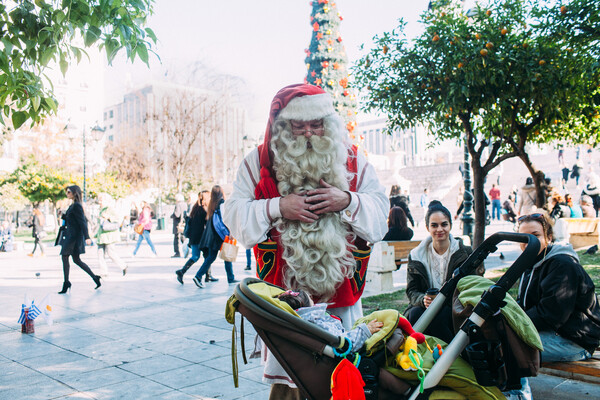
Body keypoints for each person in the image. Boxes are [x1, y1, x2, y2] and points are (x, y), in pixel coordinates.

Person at [223, 84, 388, 330]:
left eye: (316, 124)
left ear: (328, 123)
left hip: (341, 295)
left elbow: (381, 212)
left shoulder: (352, 158)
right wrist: (278, 207)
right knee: (287, 365)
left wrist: (346, 200)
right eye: (299, 125)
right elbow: (233, 214)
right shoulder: (257, 162)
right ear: (283, 127)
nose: (309, 133)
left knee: (344, 361)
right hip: (282, 299)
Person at [262, 289, 383, 398]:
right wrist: (366, 330)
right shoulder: (315, 322)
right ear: (308, 306)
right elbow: (344, 343)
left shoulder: (296, 323)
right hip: (340, 360)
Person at [516, 213, 600, 362]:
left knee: (509, 347)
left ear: (548, 238)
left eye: (535, 235)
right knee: (493, 339)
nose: (529, 242)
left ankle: (519, 387)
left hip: (575, 340)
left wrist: (513, 325)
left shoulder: (562, 265)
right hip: (552, 332)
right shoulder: (531, 263)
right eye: (523, 238)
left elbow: (551, 314)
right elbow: (523, 304)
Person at [405, 201, 483, 343]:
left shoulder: (464, 252)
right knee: (415, 314)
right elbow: (412, 290)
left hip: (453, 306)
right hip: (425, 307)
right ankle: (421, 355)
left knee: (440, 317)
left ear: (450, 226)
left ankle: (449, 358)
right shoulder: (416, 255)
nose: (439, 229)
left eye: (444, 224)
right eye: (434, 225)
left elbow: (473, 285)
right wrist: (423, 299)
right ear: (427, 227)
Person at [58, 185, 100, 294]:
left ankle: (66, 283)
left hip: (73, 237)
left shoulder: (77, 206)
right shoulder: (73, 205)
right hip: (71, 236)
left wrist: (87, 237)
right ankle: (95, 278)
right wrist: (63, 215)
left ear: (74, 193)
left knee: (65, 256)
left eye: (68, 192)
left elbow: (82, 222)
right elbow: (71, 219)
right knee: (76, 260)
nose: (67, 194)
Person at [192, 185, 237, 287]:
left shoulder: (212, 204)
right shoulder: (222, 203)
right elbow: (225, 220)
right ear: (221, 193)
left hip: (212, 235)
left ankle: (199, 276)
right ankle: (230, 278)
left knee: (212, 257)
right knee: (225, 256)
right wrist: (230, 232)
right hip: (220, 235)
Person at [175, 191, 208, 284]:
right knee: (197, 257)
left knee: (206, 256)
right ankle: (182, 272)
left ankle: (208, 276)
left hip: (195, 237)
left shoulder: (195, 208)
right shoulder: (203, 209)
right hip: (199, 238)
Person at [96, 193, 128, 277]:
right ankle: (103, 272)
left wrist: (109, 217)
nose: (99, 202)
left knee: (111, 253)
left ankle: (123, 265)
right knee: (100, 254)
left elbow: (118, 219)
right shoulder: (101, 210)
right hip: (101, 236)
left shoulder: (111, 209)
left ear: (106, 201)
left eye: (101, 200)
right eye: (99, 200)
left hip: (109, 236)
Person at [171, 193, 186, 258]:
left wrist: (172, 215)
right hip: (183, 222)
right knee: (183, 237)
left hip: (177, 223)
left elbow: (177, 214)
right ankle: (187, 249)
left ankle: (177, 252)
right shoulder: (185, 204)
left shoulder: (178, 205)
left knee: (176, 238)